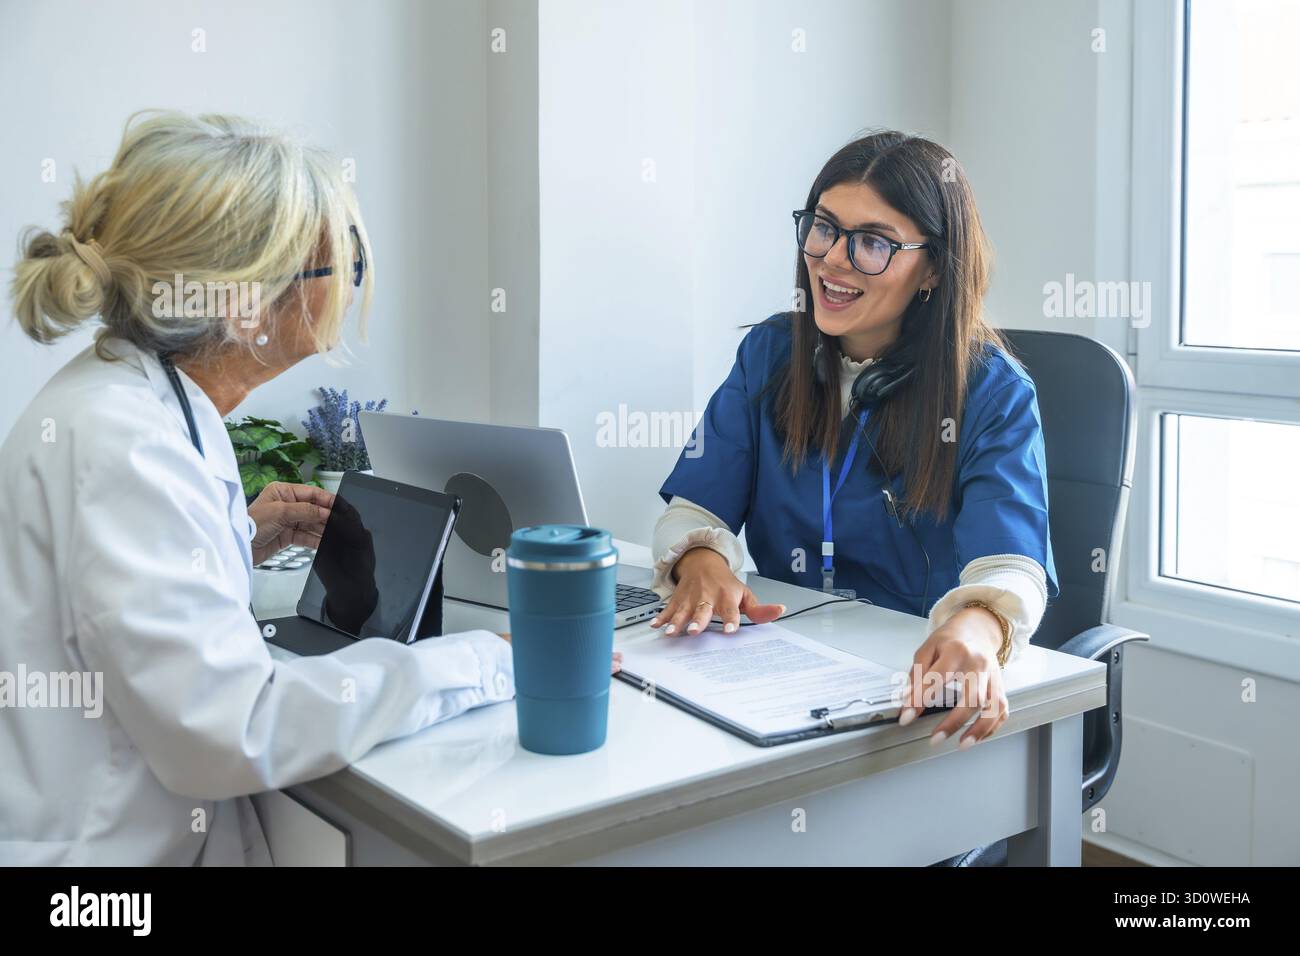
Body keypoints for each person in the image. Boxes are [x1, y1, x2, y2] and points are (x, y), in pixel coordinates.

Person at [0, 111, 615, 865]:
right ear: (247, 303)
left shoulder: (122, 402)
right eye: (338, 263)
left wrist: (225, 540)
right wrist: (485, 661)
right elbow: (230, 728)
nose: (352, 284)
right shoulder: (129, 446)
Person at [650, 131, 1058, 753]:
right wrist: (700, 564)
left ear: (933, 269)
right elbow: (694, 510)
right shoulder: (770, 355)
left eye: (873, 243)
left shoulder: (991, 390)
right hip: (778, 675)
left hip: (912, 693)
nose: (834, 259)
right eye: (824, 228)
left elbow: (1011, 566)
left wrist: (979, 628)